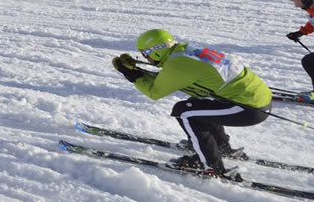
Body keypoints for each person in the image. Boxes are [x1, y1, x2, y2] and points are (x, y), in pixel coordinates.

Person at [111, 30, 272, 178]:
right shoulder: (182, 51)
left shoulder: (178, 66)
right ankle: (220, 147)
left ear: (156, 50)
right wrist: (137, 71)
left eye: (145, 54)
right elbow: (171, 78)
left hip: (249, 109)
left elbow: (154, 92)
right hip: (255, 99)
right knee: (196, 105)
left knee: (184, 112)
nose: (145, 58)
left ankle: (209, 165)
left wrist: (131, 74)